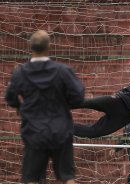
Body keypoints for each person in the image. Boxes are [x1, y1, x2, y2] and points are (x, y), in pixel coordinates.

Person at [5, 30, 85, 184]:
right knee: (67, 177)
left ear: (31, 46)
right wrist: (65, 104)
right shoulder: (62, 71)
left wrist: (20, 107)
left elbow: (10, 97)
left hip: (34, 131)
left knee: (32, 179)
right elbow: (79, 96)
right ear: (49, 46)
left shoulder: (20, 73)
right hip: (60, 129)